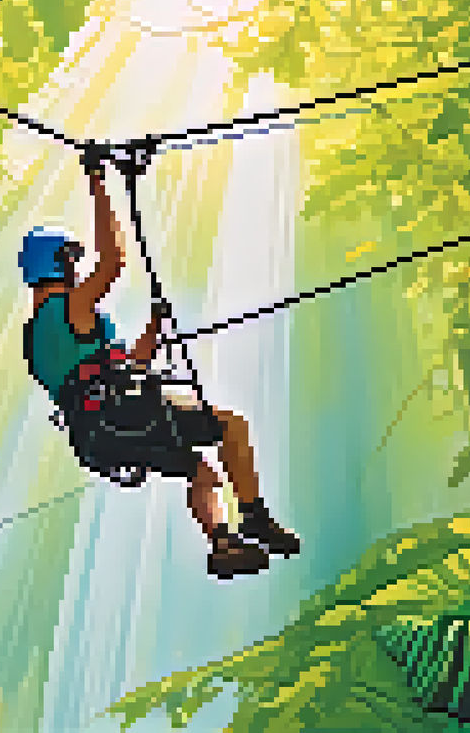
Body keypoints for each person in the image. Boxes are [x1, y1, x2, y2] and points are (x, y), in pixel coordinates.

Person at [19, 157, 300, 579]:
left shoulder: (35, 339)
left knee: (201, 472)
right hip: (125, 412)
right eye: (72, 260)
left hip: (96, 437)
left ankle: (222, 543)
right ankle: (254, 517)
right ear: (57, 263)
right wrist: (98, 181)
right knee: (231, 427)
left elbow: (128, 363)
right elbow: (113, 263)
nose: (78, 269)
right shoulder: (69, 308)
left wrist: (153, 326)